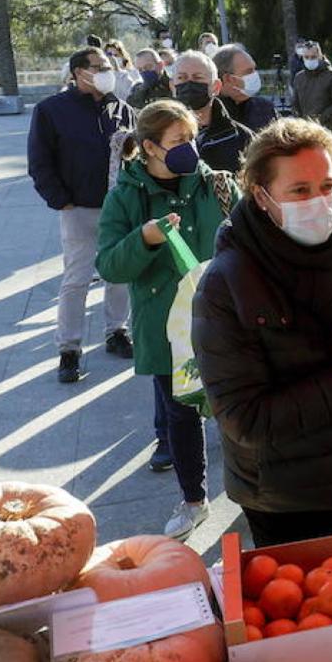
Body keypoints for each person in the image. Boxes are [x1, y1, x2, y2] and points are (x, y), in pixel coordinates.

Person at [194, 118, 332, 544]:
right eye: (299, 191)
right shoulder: (227, 283)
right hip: (286, 499)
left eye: (327, 186)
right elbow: (243, 419)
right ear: (261, 195)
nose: (319, 202)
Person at [97, 100, 230, 536]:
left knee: (239, 403)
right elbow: (110, 266)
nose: (189, 149)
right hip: (166, 325)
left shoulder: (213, 184)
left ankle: (256, 485)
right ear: (150, 147)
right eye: (178, 142)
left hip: (223, 316)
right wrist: (145, 238)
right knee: (180, 415)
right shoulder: (126, 196)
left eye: (192, 138)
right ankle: (194, 500)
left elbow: (248, 231)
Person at [28, 46, 135, 382]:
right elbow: (39, 160)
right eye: (100, 67)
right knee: (76, 279)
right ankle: (69, 348)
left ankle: (116, 330)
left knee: (119, 273)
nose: (108, 71)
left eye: (110, 66)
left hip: (118, 207)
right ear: (78, 73)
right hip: (78, 208)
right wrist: (60, 199)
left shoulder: (121, 108)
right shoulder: (51, 110)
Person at [169, 50, 254, 174]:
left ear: (216, 87)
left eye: (197, 78)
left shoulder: (240, 137)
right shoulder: (157, 135)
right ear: (172, 86)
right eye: (182, 78)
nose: (189, 84)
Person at [211, 44, 280, 131]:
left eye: (254, 69)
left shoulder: (265, 109)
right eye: (249, 72)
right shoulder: (208, 114)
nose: (255, 75)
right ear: (228, 79)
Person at [289, 41, 332, 135]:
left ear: (320, 56)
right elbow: (295, 103)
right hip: (305, 129)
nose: (309, 60)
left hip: (327, 130)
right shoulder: (299, 77)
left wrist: (320, 118)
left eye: (313, 57)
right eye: (306, 57)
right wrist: (299, 119)